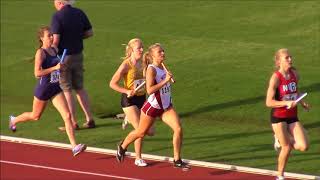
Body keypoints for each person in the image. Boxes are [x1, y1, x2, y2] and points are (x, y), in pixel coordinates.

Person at [8, 26, 86, 156]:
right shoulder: (41, 53)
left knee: (67, 116)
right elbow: (37, 73)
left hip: (55, 88)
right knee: (35, 116)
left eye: (51, 35)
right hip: (43, 90)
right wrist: (54, 68)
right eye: (48, 35)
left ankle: (74, 146)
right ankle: (14, 120)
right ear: (41, 38)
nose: (51, 37)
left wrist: (61, 68)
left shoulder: (54, 49)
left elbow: (57, 67)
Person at [116, 43, 190, 170]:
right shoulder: (151, 69)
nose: (163, 53)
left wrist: (166, 79)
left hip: (166, 106)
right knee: (141, 132)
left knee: (178, 129)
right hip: (153, 107)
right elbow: (149, 90)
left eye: (163, 51)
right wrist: (165, 81)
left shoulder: (162, 66)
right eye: (159, 52)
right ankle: (123, 145)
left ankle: (177, 160)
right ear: (152, 56)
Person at [50, 0, 95, 130]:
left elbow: (56, 40)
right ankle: (89, 118)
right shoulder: (79, 13)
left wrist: (49, 53)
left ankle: (72, 122)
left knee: (66, 89)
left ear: (59, 3)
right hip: (78, 54)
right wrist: (76, 37)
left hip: (64, 57)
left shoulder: (57, 16)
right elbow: (89, 33)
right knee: (80, 88)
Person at [265, 48, 310, 180]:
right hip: (279, 117)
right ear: (279, 62)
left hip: (292, 116)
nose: (290, 60)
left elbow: (295, 90)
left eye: (290, 57)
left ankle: (281, 138)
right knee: (287, 147)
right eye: (287, 58)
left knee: (304, 146)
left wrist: (302, 102)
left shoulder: (295, 74)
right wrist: (285, 103)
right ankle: (280, 176)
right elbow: (269, 102)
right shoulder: (275, 78)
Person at [109, 38, 154, 167]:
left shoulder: (145, 62)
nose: (141, 50)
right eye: (138, 48)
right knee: (140, 129)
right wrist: (126, 91)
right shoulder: (126, 65)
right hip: (129, 100)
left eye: (142, 47)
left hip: (142, 98)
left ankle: (124, 140)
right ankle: (137, 157)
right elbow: (112, 83)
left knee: (150, 131)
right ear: (131, 50)